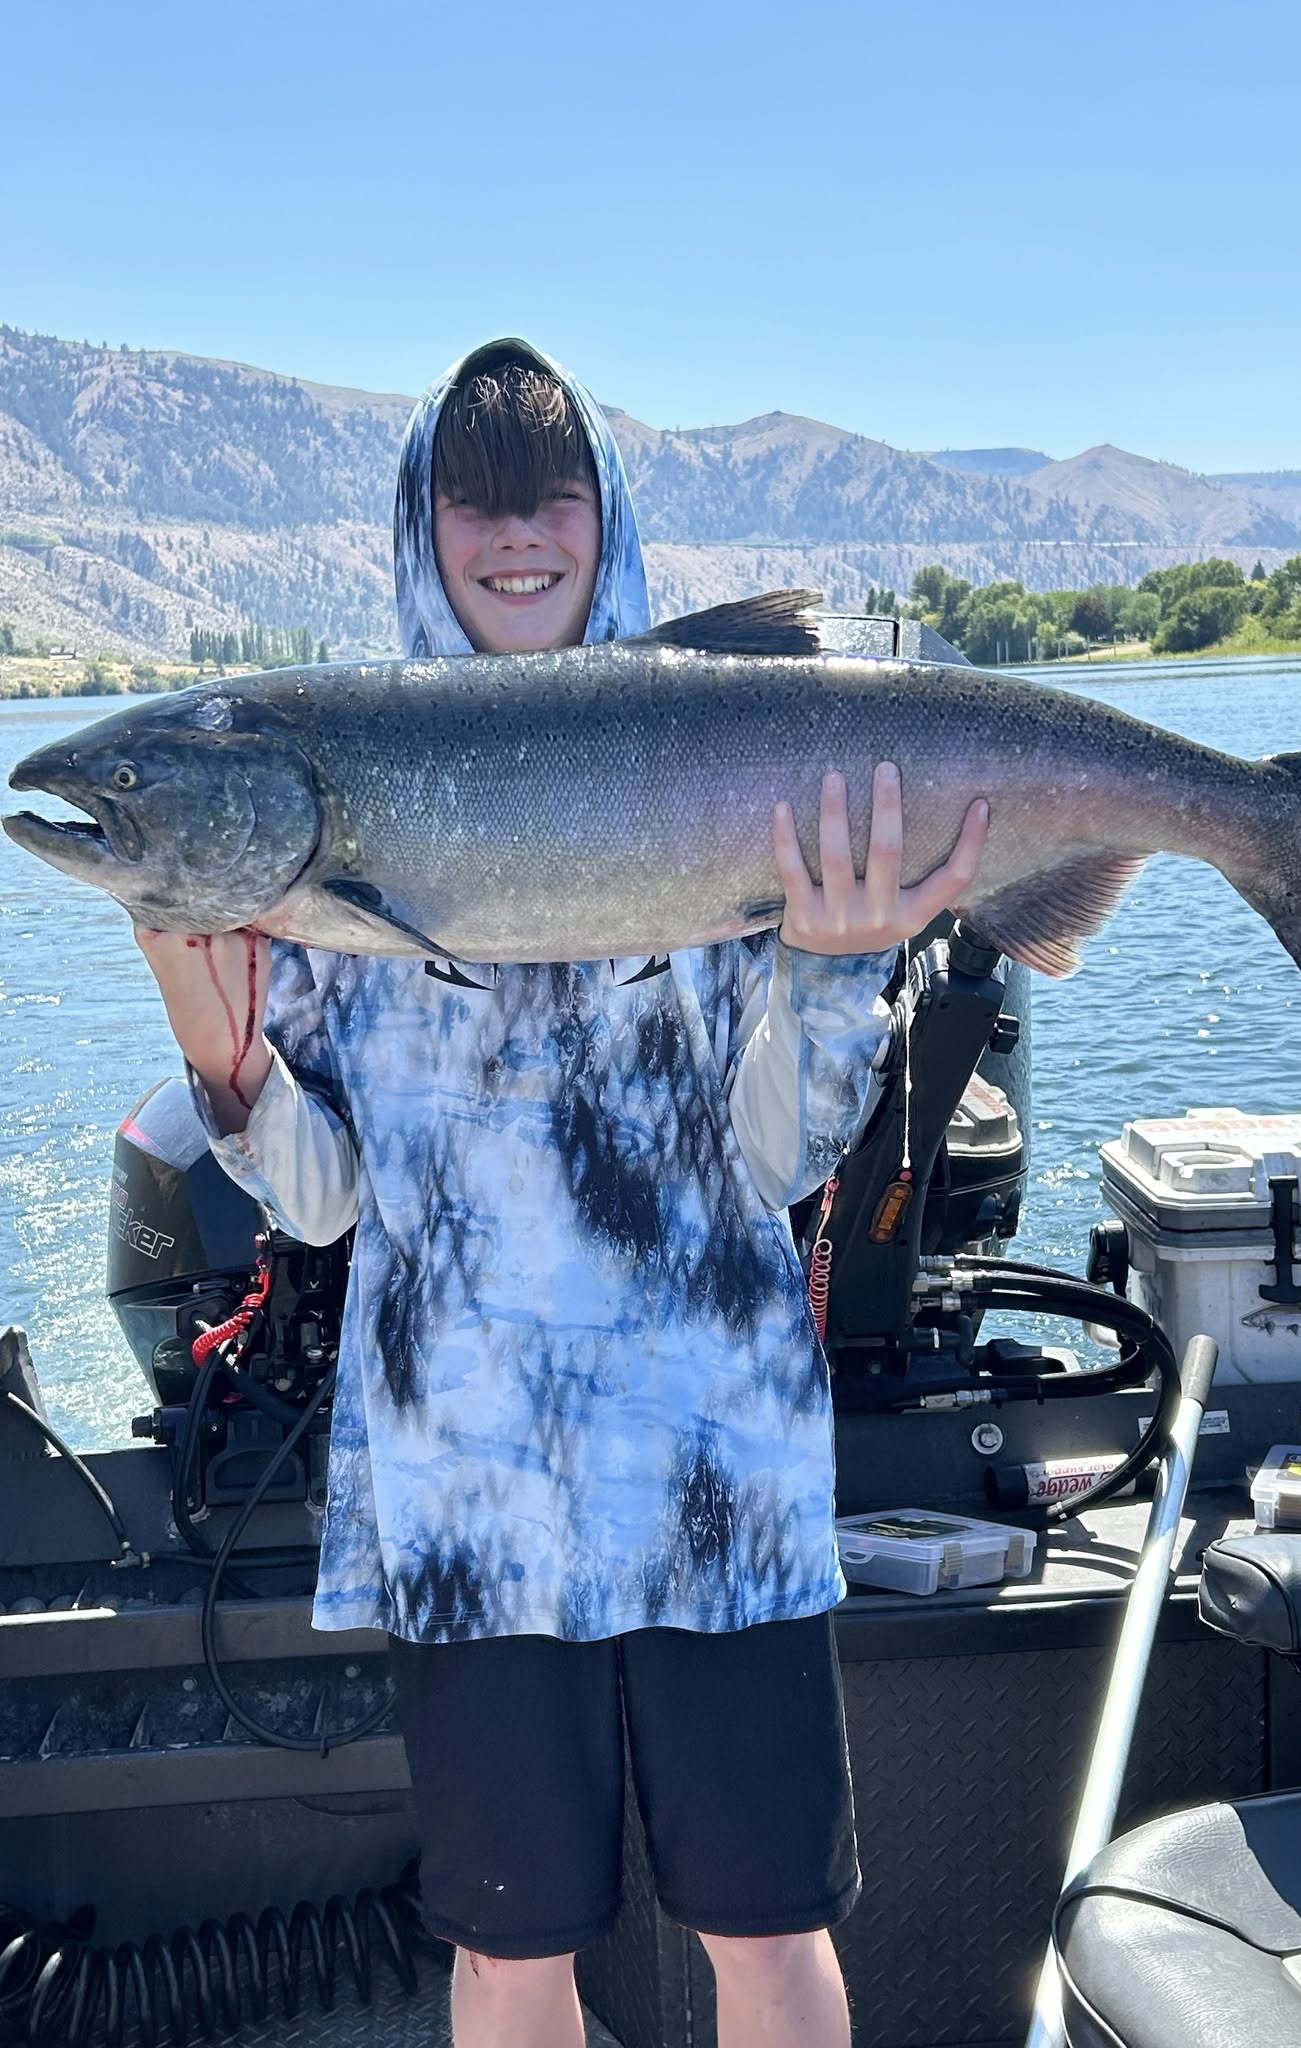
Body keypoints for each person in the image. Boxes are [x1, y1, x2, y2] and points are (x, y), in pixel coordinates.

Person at [136, 337, 987, 2048]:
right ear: (422, 523)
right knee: (508, 1955)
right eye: (475, 500)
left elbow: (776, 1166)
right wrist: (229, 1076)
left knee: (768, 1928)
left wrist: (834, 976)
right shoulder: (321, 812)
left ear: (606, 517)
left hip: (715, 1453)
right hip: (465, 1473)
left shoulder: (747, 759)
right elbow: (317, 1214)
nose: (516, 535)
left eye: (554, 497)